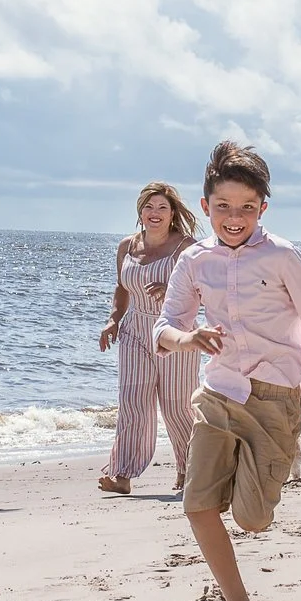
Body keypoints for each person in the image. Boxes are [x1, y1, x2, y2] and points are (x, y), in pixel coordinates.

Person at [155, 141, 301, 601]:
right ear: (205, 207)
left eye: (246, 207)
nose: (233, 217)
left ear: (263, 208)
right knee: (198, 503)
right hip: (218, 390)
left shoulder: (286, 257)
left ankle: (268, 472)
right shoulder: (195, 261)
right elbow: (166, 326)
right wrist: (188, 337)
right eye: (222, 206)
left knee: (253, 518)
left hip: (274, 396)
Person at [97, 182, 202, 495]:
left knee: (177, 406)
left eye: (162, 208)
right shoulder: (127, 247)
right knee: (133, 403)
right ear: (140, 212)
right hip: (134, 331)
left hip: (176, 330)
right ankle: (122, 474)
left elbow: (204, 292)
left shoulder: (186, 247)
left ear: (172, 214)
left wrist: (171, 289)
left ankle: (190, 469)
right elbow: (121, 288)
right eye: (148, 207)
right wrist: (113, 320)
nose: (154, 213)